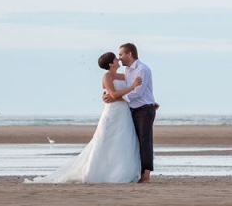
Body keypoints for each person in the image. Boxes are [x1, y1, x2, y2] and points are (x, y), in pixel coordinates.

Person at [27, 52, 142, 183]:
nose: (118, 60)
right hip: (112, 113)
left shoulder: (123, 76)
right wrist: (131, 87)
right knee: (105, 141)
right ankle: (98, 172)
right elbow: (114, 94)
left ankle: (121, 171)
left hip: (124, 113)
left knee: (123, 141)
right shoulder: (107, 76)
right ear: (110, 63)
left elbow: (121, 94)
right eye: (116, 58)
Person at [103, 42, 156, 183]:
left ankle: (146, 176)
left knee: (145, 142)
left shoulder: (142, 69)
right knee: (133, 142)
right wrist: (107, 94)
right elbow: (113, 82)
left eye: (121, 54)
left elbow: (137, 93)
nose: (119, 58)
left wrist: (115, 98)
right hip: (131, 110)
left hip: (144, 109)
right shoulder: (127, 71)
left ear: (129, 54)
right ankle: (135, 172)